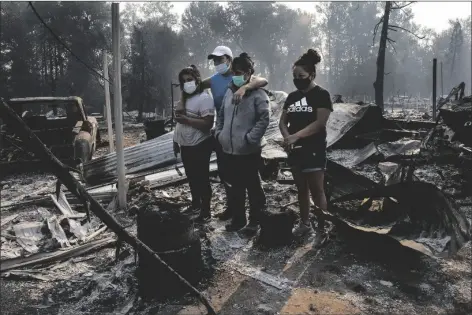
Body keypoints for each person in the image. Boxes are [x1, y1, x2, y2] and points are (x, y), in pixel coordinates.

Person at [177, 46, 268, 221]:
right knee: (227, 173)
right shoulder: (215, 80)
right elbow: (191, 86)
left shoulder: (246, 79)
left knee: (250, 178)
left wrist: (244, 88)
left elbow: (262, 82)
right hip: (225, 132)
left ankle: (256, 214)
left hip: (244, 135)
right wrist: (218, 133)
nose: (217, 63)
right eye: (215, 61)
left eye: (220, 60)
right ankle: (232, 208)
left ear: (229, 59)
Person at [278, 49, 333, 242]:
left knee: (317, 190)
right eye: (294, 76)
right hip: (295, 150)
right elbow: (282, 121)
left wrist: (295, 137)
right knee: (301, 189)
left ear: (312, 75)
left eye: (301, 76)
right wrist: (287, 138)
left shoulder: (322, 95)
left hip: (314, 149)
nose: (297, 79)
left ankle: (322, 229)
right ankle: (305, 224)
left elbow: (319, 124)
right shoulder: (292, 97)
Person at [215, 53, 270, 235]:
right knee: (235, 187)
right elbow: (221, 114)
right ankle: (239, 220)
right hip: (229, 148)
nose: (235, 76)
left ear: (248, 73)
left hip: (249, 150)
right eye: (234, 72)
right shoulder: (230, 92)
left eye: (239, 72)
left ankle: (255, 221)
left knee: (253, 186)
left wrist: (250, 139)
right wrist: (219, 133)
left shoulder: (258, 94)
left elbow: (264, 118)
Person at [173, 65, 215, 223]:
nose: (187, 83)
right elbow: (179, 123)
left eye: (190, 80)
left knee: (202, 178)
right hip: (186, 144)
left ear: (197, 80)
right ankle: (195, 204)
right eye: (183, 81)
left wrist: (187, 120)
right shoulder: (185, 99)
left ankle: (206, 211)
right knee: (191, 176)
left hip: (200, 144)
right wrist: (176, 141)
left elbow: (208, 123)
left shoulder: (205, 98)